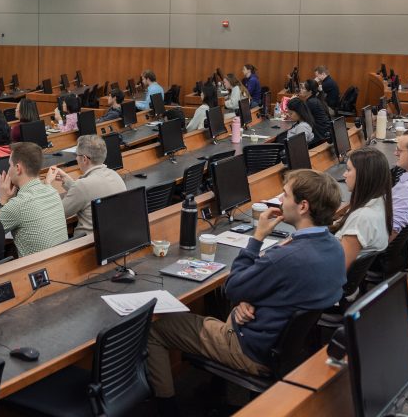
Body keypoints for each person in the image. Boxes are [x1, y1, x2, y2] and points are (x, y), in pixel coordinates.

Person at [146, 169, 345, 413]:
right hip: (280, 341)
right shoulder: (335, 247)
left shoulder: (286, 257)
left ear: (303, 206)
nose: (280, 201)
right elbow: (276, 289)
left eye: (285, 195)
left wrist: (258, 235)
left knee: (154, 330)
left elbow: (232, 286)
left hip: (249, 348)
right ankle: (216, 389)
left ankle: (167, 409)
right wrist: (246, 299)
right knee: (224, 303)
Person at [0, 142, 68, 257]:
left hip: (38, 270)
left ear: (18, 168)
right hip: (60, 263)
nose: (8, 170)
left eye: (10, 165)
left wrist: (3, 199)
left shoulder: (18, 205)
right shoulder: (52, 192)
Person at [45, 134, 127, 235]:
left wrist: (47, 185)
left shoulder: (82, 186)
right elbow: (89, 193)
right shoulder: (115, 175)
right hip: (112, 237)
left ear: (84, 159)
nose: (76, 159)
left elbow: (56, 214)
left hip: (87, 244)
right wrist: (67, 180)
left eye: (77, 155)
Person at [333, 148, 392, 269]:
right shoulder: (379, 199)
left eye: (348, 170)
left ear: (363, 175)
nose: (344, 174)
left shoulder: (361, 218)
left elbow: (338, 268)